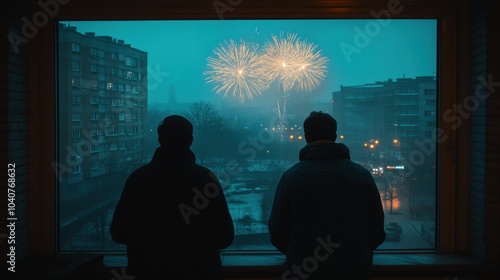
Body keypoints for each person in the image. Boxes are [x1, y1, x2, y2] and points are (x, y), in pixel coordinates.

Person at [110, 115, 234, 280]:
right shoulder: (205, 179)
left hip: (147, 273)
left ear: (160, 139)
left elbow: (118, 232)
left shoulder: (139, 178)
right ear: (190, 141)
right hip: (200, 273)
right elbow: (225, 236)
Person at [268, 111, 386, 280]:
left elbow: (278, 231)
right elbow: (377, 230)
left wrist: (299, 253)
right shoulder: (361, 175)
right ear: (335, 136)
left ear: (306, 136)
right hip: (355, 269)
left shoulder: (292, 177)